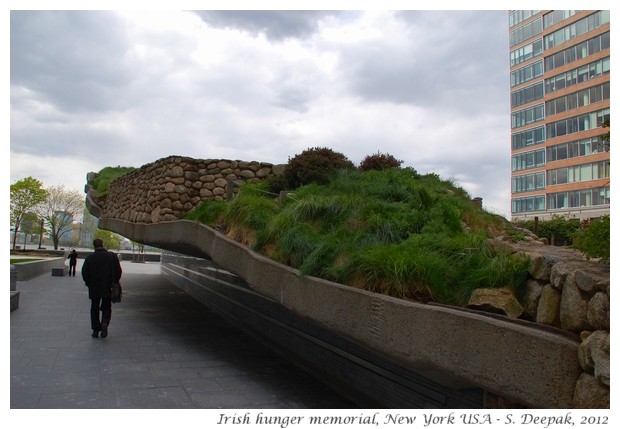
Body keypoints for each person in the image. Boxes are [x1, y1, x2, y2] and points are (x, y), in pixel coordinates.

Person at [81, 239, 122, 339]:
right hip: (108, 287)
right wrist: (115, 281)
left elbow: (84, 273)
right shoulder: (112, 256)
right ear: (102, 244)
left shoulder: (89, 258)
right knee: (106, 307)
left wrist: (89, 283)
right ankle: (104, 322)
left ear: (94, 246)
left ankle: (95, 330)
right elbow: (118, 271)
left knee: (94, 308)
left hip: (94, 287)